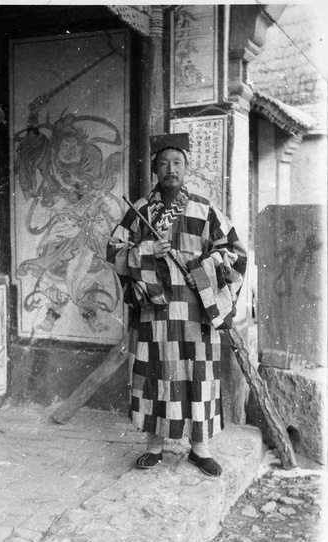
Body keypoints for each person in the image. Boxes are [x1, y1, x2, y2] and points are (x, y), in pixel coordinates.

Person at [106, 133, 247, 476]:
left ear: (186, 168)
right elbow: (113, 251)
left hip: (197, 308)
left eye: (178, 163)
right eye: (164, 163)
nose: (171, 169)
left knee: (199, 376)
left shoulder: (205, 208)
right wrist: (145, 251)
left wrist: (206, 265)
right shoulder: (139, 211)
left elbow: (234, 252)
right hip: (156, 309)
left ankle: (200, 448)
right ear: (154, 168)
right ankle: (155, 446)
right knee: (158, 374)